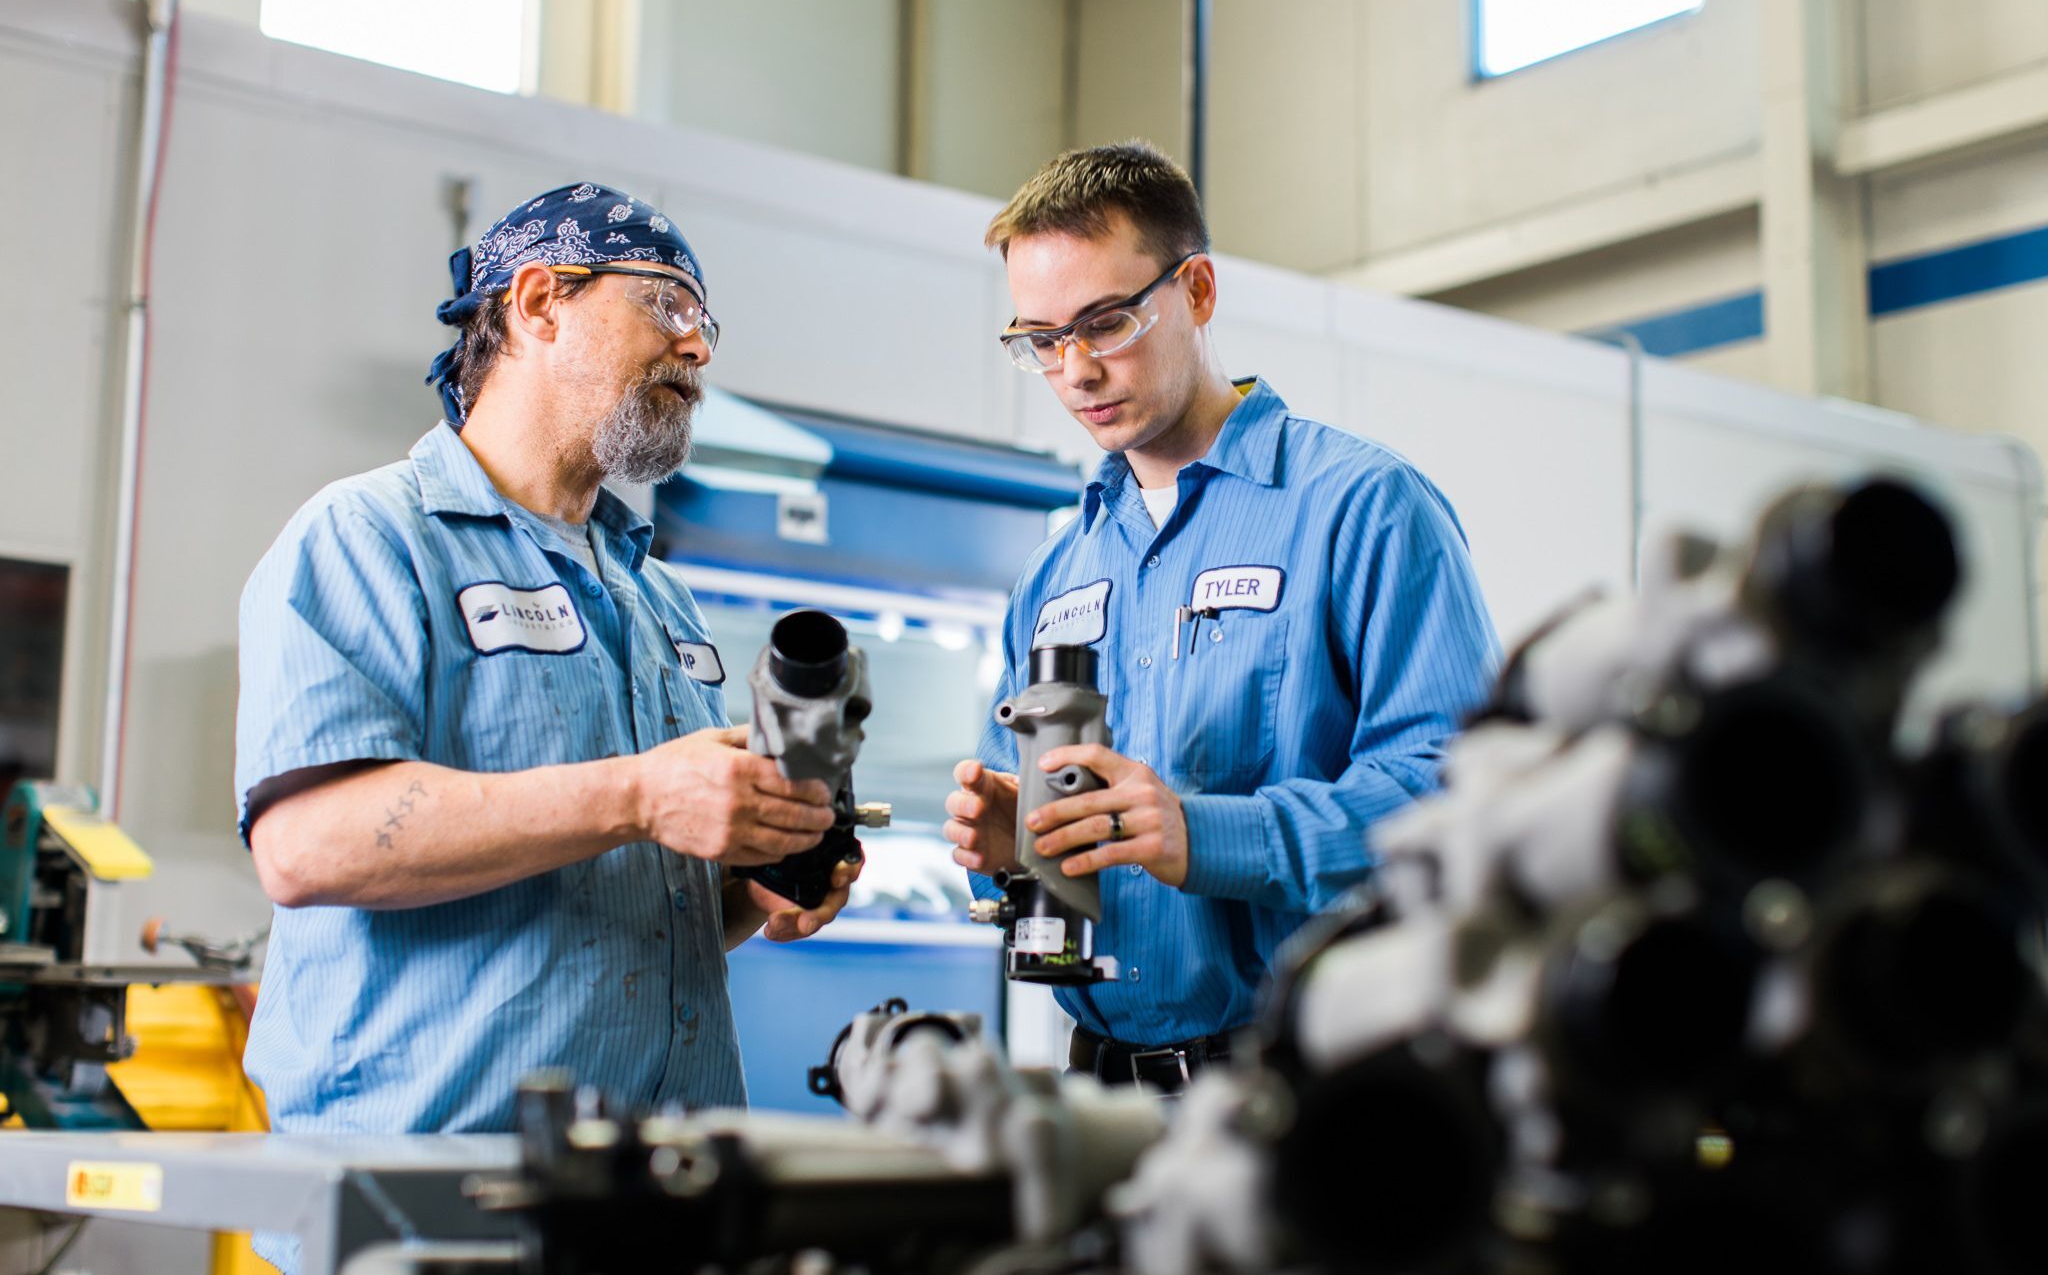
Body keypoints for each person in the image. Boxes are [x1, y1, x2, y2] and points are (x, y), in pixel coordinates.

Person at [234, 182, 858, 1267]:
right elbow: (305, 846)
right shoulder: (370, 539)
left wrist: (754, 879)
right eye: (668, 305)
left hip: (653, 1195)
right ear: (536, 302)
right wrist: (640, 793)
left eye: (707, 325)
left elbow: (628, 912)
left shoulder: (655, 600)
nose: (697, 350)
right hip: (432, 1207)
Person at [945, 142, 1500, 1090]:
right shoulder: (1055, 571)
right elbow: (1041, 847)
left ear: (1197, 290)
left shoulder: (1361, 508)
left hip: (1314, 1085)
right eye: (1040, 339)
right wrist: (1011, 850)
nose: (1075, 370)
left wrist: (1205, 836)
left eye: (1106, 323)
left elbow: (1455, 795)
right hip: (1101, 1086)